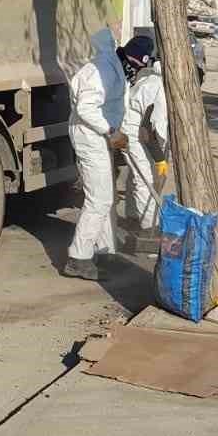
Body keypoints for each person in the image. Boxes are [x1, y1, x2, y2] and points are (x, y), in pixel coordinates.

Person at [63, 26, 126, 279]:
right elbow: (86, 108)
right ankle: (78, 258)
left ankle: (104, 249)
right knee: (99, 199)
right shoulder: (99, 70)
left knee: (105, 197)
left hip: (99, 137)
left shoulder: (107, 64)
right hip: (91, 137)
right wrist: (111, 130)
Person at [118, 35, 170, 232]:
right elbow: (147, 131)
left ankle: (132, 216)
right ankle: (149, 228)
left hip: (133, 127)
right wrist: (159, 159)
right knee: (145, 178)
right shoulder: (160, 90)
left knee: (136, 174)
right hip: (133, 131)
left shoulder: (152, 79)